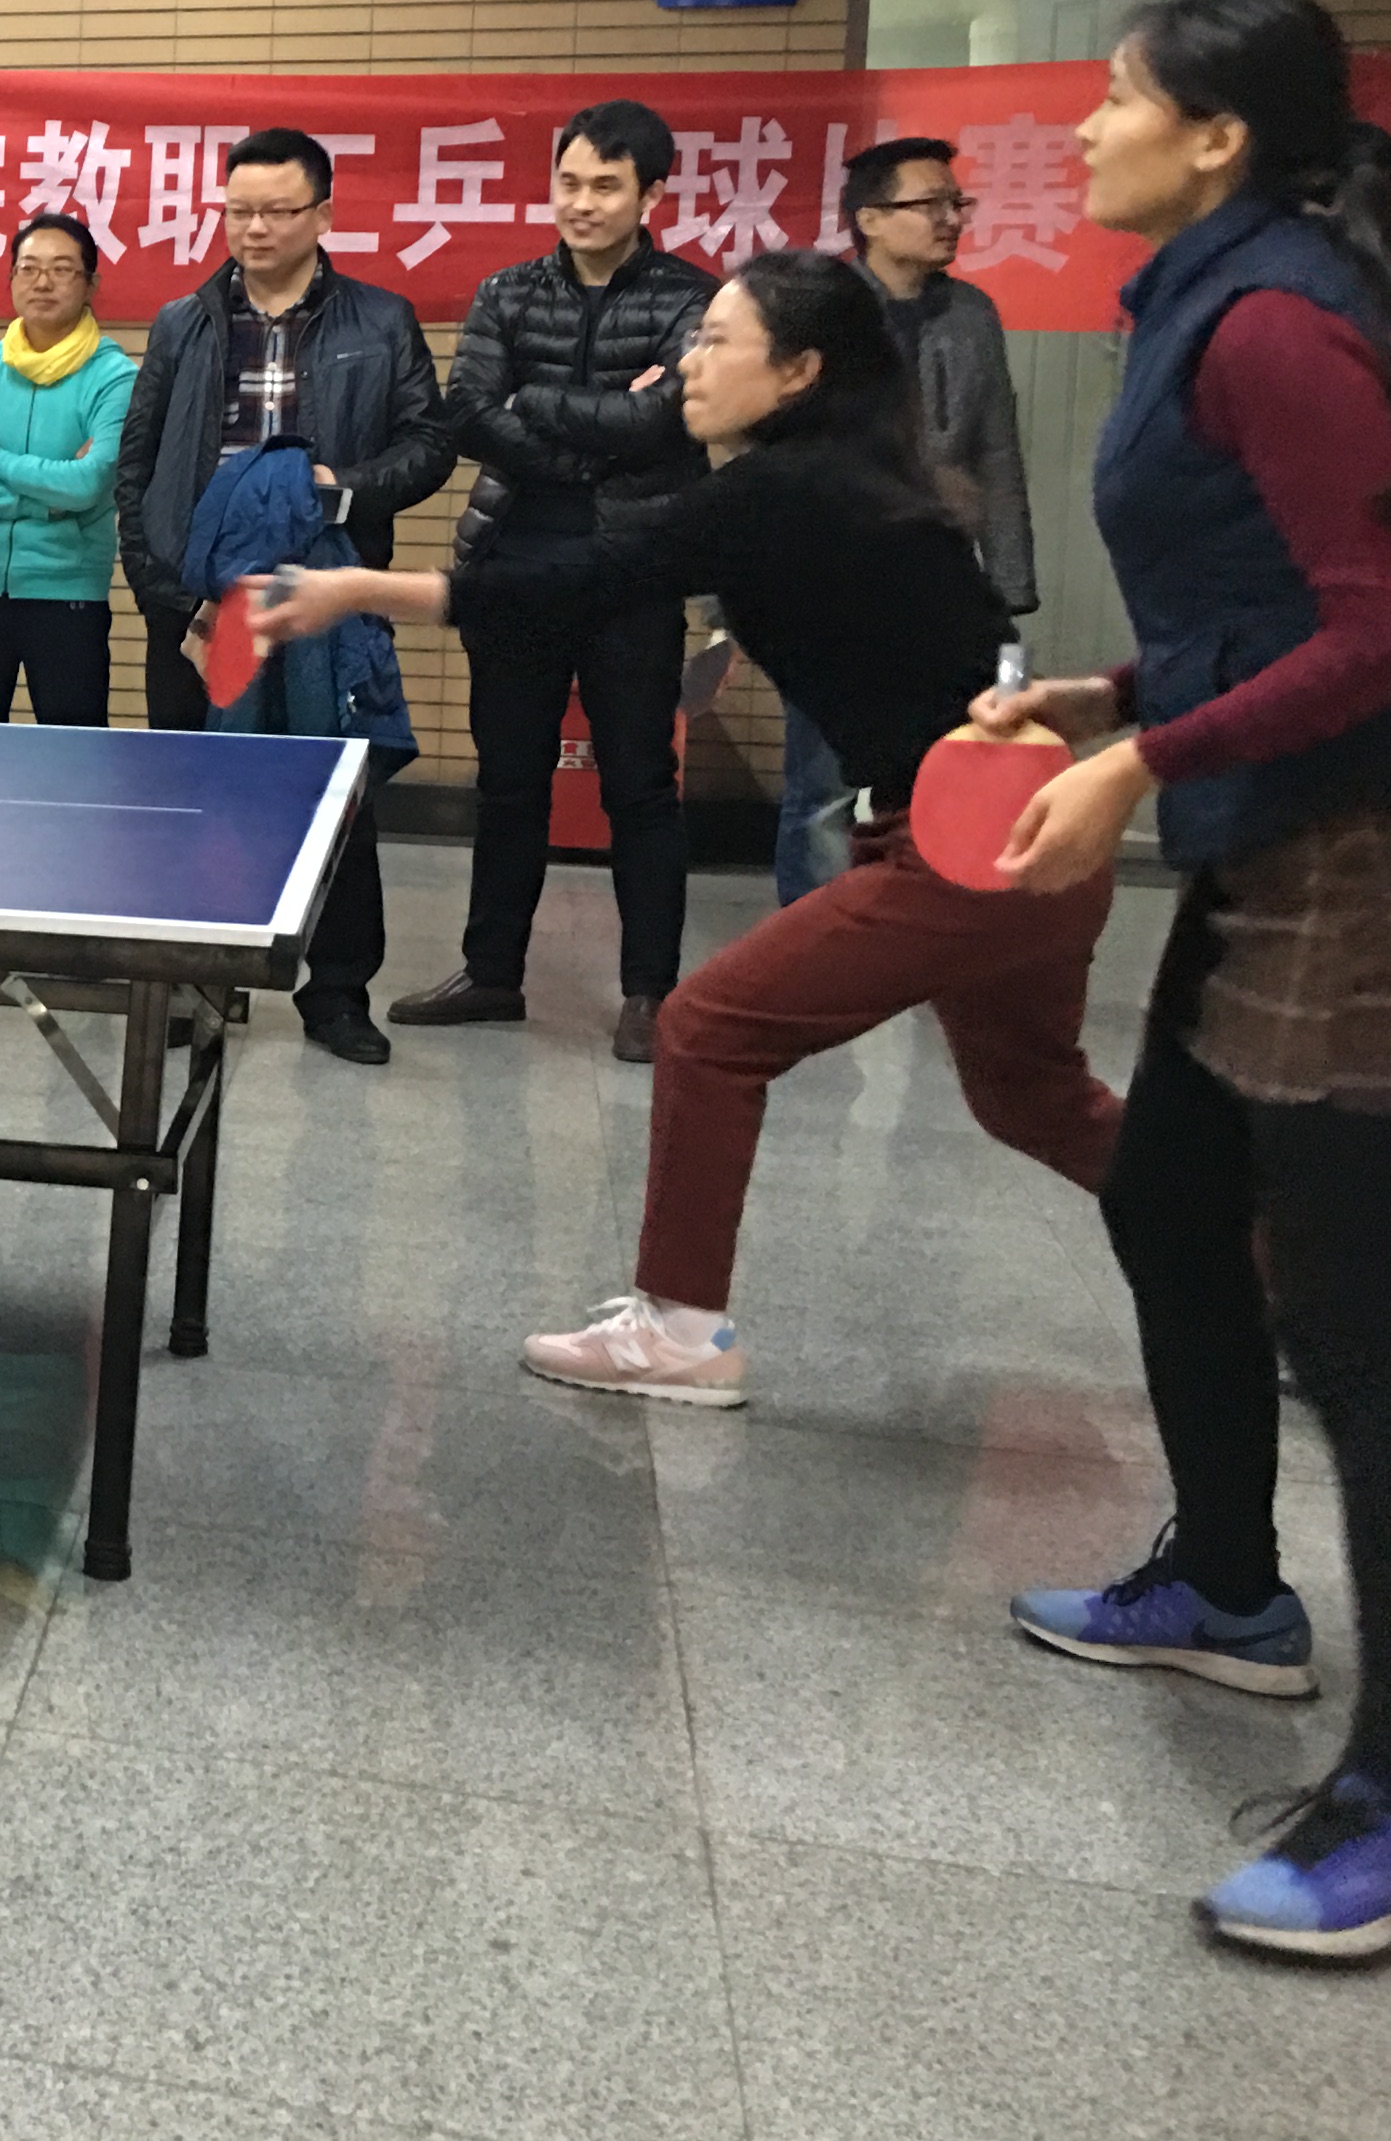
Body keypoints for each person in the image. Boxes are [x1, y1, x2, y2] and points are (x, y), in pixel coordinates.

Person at [259, 251, 1118, 1404]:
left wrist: (356, 591)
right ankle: (1268, 1264)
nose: (689, 366)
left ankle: (681, 1328)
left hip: (969, 848)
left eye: (719, 342)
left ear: (800, 371)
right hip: (1030, 834)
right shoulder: (848, 480)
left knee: (707, 1027)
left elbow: (570, 585)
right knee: (1036, 1099)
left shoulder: (780, 492)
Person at [981, 0, 1391, 1966]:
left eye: (1116, 96)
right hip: (1270, 833)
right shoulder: (1202, 300)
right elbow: (1265, 596)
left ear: (1217, 138)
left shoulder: (1277, 325)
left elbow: (1381, 624)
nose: (1084, 128)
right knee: (1166, 1194)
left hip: (1365, 863)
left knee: (1364, 1335)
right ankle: (1232, 1588)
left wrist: (1142, 759)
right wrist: (1114, 691)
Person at [390, 101, 715, 1064]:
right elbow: (470, 412)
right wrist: (597, 430)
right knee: (509, 784)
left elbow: (673, 419)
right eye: (569, 182)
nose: (582, 202)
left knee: (640, 787)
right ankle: (492, 973)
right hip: (517, 564)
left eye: (606, 186)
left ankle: (650, 992)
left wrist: (538, 403)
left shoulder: (693, 299)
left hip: (633, 573)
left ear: (652, 196)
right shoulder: (506, 292)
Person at [113, 128, 446, 1063]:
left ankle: (336, 993)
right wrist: (164, 592)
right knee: (197, 794)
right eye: (237, 211)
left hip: (325, 592)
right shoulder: (183, 322)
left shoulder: (381, 320)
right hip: (203, 603)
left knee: (334, 799)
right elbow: (138, 465)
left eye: (276, 210)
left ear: (323, 214)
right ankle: (196, 981)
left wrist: (341, 488)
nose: (253, 228)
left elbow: (429, 445)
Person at [772, 135, 1034, 900]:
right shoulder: (817, 313)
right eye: (931, 204)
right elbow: (775, 450)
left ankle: (904, 935)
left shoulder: (972, 314)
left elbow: (995, 450)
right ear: (871, 219)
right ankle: (816, 942)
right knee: (820, 790)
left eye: (957, 203)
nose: (951, 219)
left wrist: (1009, 583)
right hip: (830, 583)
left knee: (934, 774)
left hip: (936, 583)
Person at [0, 212, 134, 724]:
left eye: (62, 269)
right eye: (28, 268)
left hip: (69, 593)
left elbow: (89, 484)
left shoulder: (115, 376)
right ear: (12, 278)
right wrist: (48, 505)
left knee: (74, 752)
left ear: (90, 285)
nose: (42, 282)